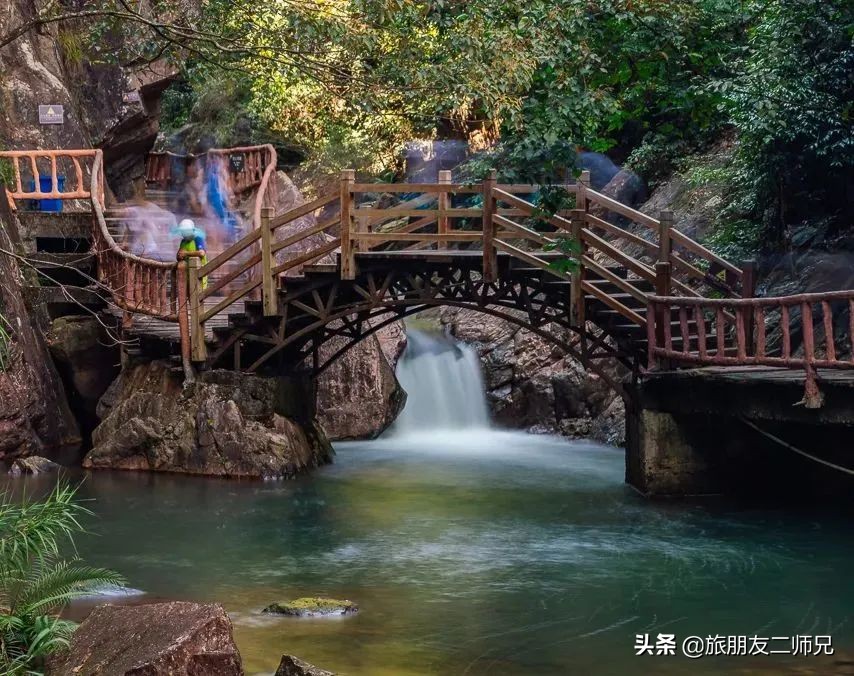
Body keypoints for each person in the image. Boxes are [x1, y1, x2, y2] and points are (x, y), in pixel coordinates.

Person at [176, 218, 208, 289]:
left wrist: (186, 253)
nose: (185, 235)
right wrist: (179, 256)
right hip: (187, 274)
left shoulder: (198, 239)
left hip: (199, 273)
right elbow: (179, 254)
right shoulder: (183, 242)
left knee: (198, 295)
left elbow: (202, 253)